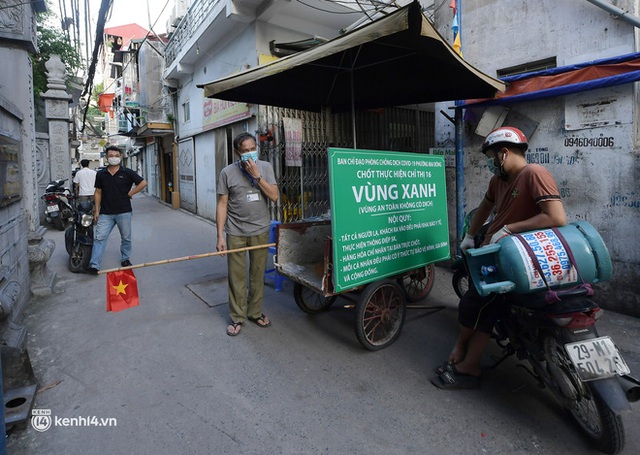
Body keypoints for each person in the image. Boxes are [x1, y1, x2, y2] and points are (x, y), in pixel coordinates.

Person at [431, 126, 566, 390]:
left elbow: (556, 217)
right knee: (486, 305)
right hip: (495, 250)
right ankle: (465, 351)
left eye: (492, 158)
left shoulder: (533, 174)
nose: (491, 165)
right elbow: (485, 206)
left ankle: (468, 365)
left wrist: (508, 229)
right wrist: (470, 235)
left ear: (503, 154)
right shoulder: (498, 181)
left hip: (515, 257)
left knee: (478, 303)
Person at [216, 132, 279, 336]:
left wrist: (256, 176)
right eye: (245, 151)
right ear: (237, 152)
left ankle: (255, 312)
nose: (250, 154)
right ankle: (237, 317)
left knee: (257, 273)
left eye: (253, 149)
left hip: (260, 229)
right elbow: (222, 204)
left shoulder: (265, 167)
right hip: (235, 231)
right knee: (236, 276)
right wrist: (219, 236)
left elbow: (274, 196)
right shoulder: (227, 172)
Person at [86, 146, 147, 275]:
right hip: (105, 213)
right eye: (111, 155)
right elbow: (98, 192)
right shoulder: (101, 174)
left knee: (126, 237)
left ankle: (125, 258)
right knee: (99, 238)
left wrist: (131, 193)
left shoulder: (127, 172)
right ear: (106, 158)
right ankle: (94, 264)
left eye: (116, 155)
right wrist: (96, 210)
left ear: (120, 157)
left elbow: (142, 183)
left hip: (123, 211)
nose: (114, 158)